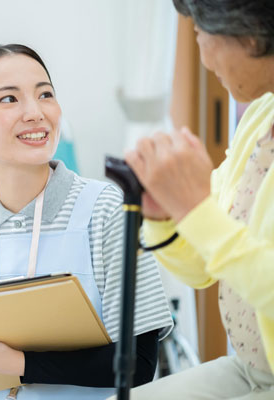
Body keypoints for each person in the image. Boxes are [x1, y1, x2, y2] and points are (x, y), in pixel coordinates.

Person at [0, 44, 174, 399]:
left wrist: (16, 362)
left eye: (45, 94)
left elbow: (139, 364)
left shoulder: (106, 209)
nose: (35, 112)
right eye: (8, 99)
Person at [118, 1, 274, 399]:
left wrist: (194, 209)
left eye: (200, 33)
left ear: (249, 35)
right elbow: (204, 269)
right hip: (252, 366)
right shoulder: (261, 117)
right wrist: (165, 218)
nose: (202, 54)